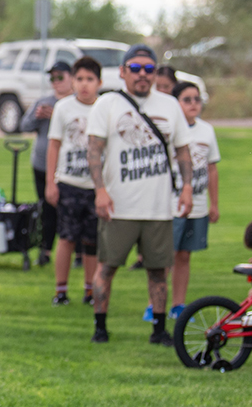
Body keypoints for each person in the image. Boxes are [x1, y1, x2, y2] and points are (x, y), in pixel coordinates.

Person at [85, 43, 193, 345]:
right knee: (107, 267)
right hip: (119, 205)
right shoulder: (107, 104)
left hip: (158, 206)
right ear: (123, 72)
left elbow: (183, 150)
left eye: (148, 69)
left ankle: (159, 330)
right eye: (135, 68)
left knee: (158, 270)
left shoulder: (170, 105)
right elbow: (93, 150)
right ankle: (100, 328)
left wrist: (186, 187)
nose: (142, 74)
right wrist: (100, 191)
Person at [45, 57, 102, 306]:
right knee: (66, 237)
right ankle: (61, 290)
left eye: (90, 79)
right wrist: (51, 181)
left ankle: (90, 290)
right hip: (69, 183)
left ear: (99, 82)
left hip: (96, 186)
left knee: (92, 241)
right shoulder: (63, 108)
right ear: (73, 81)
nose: (84, 84)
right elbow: (54, 145)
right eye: (79, 79)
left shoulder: (105, 107)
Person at [168, 81, 220, 318]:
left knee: (184, 255)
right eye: (186, 99)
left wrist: (214, 204)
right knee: (166, 256)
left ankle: (178, 304)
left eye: (197, 99)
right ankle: (154, 304)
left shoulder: (206, 130)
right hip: (172, 204)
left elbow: (212, 169)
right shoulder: (170, 130)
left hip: (198, 204)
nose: (193, 104)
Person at [21, 60, 74, 267]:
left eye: (60, 77)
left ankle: (79, 253)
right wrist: (37, 116)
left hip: (68, 167)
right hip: (42, 164)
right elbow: (24, 125)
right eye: (52, 78)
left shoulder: (76, 103)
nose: (56, 81)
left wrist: (56, 117)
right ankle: (46, 250)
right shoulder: (43, 101)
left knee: (71, 211)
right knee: (46, 209)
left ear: (71, 78)